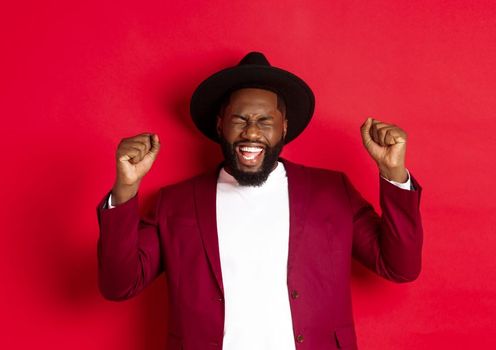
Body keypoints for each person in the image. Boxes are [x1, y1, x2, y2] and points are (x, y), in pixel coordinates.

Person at [97, 52, 423, 350]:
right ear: (220, 125)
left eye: (265, 121)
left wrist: (392, 171)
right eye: (240, 120)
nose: (251, 133)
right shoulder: (177, 203)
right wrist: (125, 189)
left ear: (284, 128)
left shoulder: (332, 191)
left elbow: (399, 266)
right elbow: (119, 285)